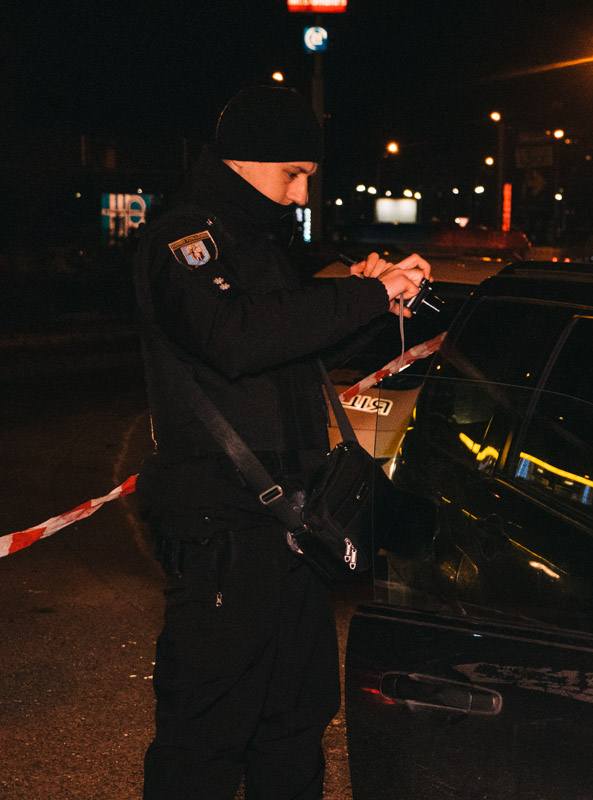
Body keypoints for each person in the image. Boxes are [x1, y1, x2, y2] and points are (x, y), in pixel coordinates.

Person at [133, 85, 430, 800]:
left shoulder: (260, 246)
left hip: (294, 526)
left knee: (294, 725)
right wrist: (361, 296)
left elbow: (290, 352)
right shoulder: (185, 240)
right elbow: (235, 337)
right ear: (244, 158)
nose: (300, 194)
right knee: (203, 741)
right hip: (224, 534)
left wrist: (377, 302)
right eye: (293, 173)